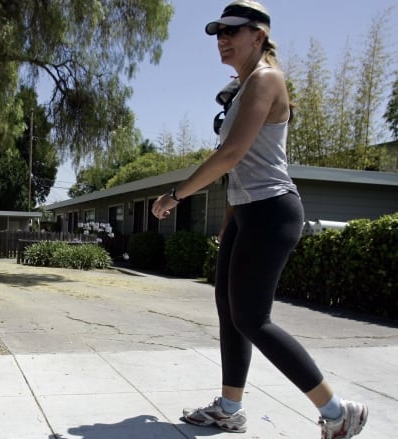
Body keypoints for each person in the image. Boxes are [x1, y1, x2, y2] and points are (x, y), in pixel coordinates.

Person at [150, 2, 369, 438]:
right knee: (229, 312)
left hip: (273, 210)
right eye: (218, 33)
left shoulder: (267, 79)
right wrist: (229, 224)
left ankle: (337, 411)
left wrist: (176, 196)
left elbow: (229, 155)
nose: (222, 39)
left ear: (259, 36)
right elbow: (238, 169)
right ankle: (230, 408)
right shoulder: (244, 85)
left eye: (233, 31)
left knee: (252, 317)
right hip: (248, 213)